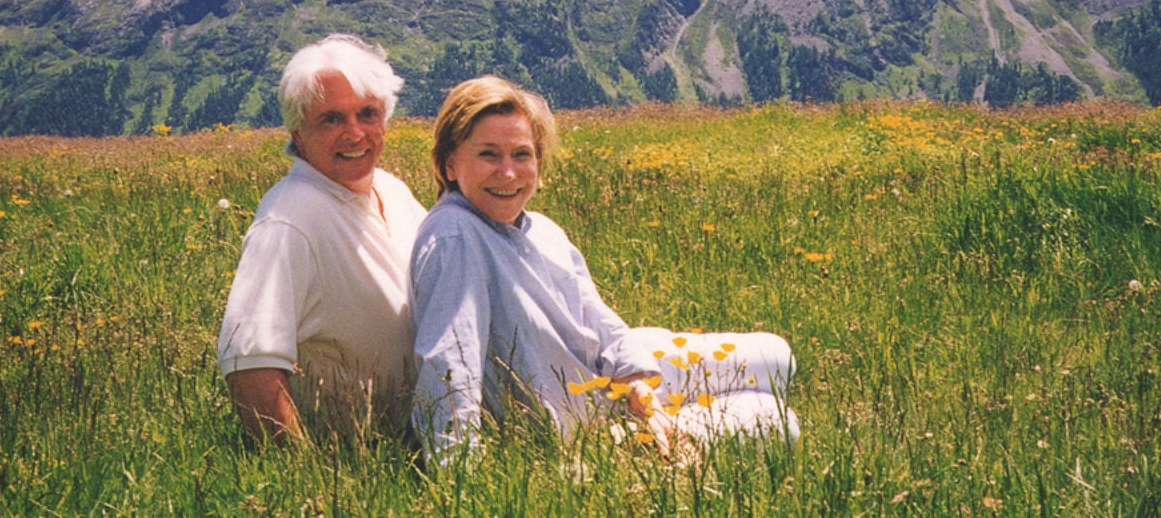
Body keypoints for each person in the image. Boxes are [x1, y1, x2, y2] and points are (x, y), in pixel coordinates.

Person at [409, 75, 797, 462]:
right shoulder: (454, 236)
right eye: (489, 154)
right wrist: (461, 480)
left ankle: (669, 409)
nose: (508, 173)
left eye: (522, 154)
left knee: (780, 359)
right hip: (583, 416)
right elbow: (448, 367)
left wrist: (649, 404)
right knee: (779, 422)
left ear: (539, 162)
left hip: (618, 376)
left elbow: (601, 321)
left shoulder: (541, 229)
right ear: (450, 164)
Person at [217, 34, 428, 444]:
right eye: (331, 119)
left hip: (414, 449)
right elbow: (249, 363)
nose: (354, 133)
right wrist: (301, 479)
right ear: (297, 131)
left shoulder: (392, 190)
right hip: (354, 464)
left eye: (368, 114)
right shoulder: (289, 220)